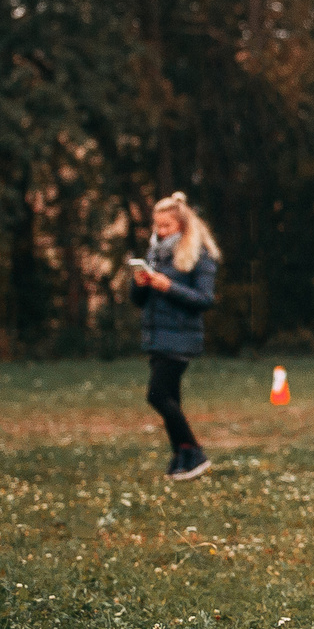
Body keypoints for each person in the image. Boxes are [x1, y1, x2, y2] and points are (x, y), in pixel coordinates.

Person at [130, 192, 221, 481]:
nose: (160, 232)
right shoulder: (155, 255)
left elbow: (205, 299)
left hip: (181, 338)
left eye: (166, 226)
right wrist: (141, 284)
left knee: (156, 394)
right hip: (157, 337)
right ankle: (181, 457)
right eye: (157, 226)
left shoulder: (200, 256)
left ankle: (195, 452)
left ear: (182, 226)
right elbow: (139, 301)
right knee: (171, 399)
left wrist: (169, 286)